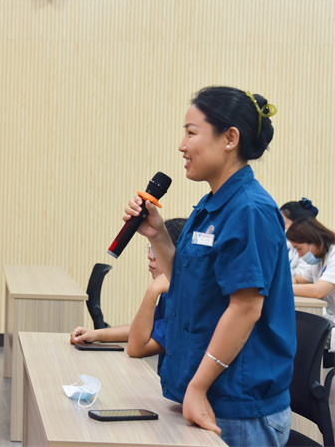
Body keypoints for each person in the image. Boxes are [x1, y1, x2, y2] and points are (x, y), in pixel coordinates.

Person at [123, 86, 295, 446]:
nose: (182, 146)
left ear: (230, 138)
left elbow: (245, 308)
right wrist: (158, 235)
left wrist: (198, 387)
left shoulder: (249, 209)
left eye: (191, 132)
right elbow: (188, 282)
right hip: (201, 393)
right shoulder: (211, 205)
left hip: (237, 405)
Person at [70, 218, 187, 366]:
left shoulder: (185, 301)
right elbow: (146, 329)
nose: (149, 256)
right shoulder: (169, 293)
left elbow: (137, 348)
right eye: (150, 249)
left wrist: (152, 291)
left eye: (156, 251)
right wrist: (97, 334)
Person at [286, 216, 335, 322]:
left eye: (299, 249)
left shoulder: (333, 255)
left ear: (314, 242)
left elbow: (319, 291)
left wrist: (284, 288)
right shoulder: (320, 259)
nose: (299, 255)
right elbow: (298, 280)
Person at [280, 198, 319, 275]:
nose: (280, 227)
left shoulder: (310, 248)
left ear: (298, 225)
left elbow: (301, 276)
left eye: (283, 223)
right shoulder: (288, 245)